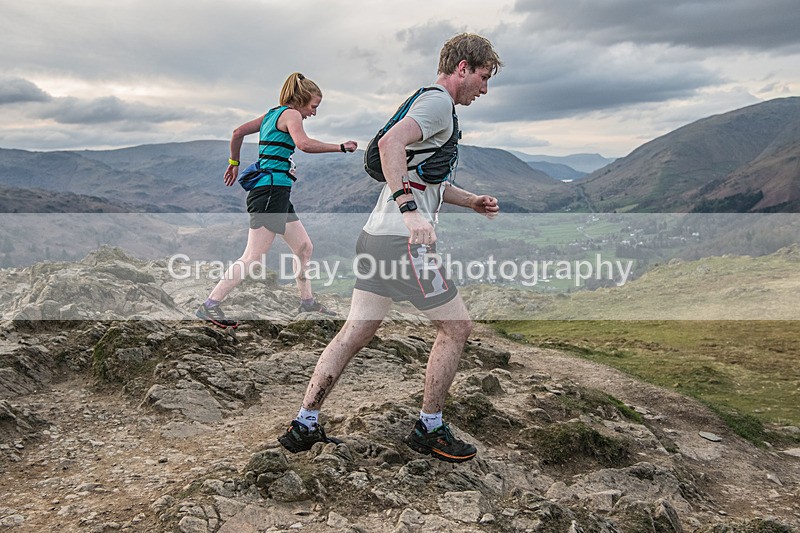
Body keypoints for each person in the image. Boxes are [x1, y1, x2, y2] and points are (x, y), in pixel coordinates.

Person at [279, 34, 502, 463]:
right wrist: (410, 213)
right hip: (403, 243)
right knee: (456, 328)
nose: (485, 88)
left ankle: (304, 423)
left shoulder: (428, 103)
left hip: (374, 237)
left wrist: (471, 200)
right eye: (483, 76)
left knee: (356, 331)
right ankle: (429, 427)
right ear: (462, 68)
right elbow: (388, 145)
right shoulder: (438, 103)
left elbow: (425, 179)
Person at [196, 73, 357, 329]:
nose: (313, 113)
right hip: (270, 192)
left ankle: (307, 302)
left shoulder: (272, 114)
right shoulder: (291, 114)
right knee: (253, 256)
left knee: (304, 247)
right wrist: (340, 147)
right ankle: (209, 306)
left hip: (277, 192)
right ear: (301, 99)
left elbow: (238, 132)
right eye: (313, 107)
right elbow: (303, 144)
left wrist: (234, 163)